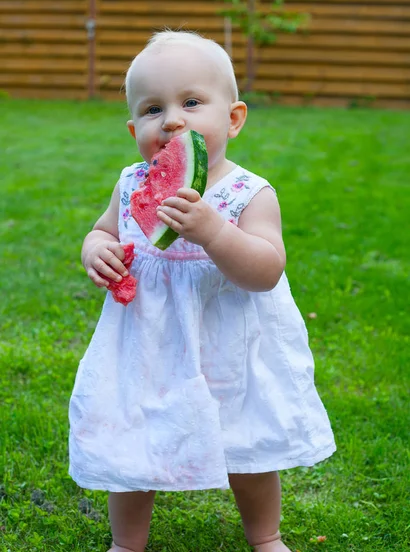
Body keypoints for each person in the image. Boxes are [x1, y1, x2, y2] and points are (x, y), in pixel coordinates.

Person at [68, 29, 336, 552]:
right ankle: (126, 543)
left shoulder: (249, 192)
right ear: (133, 128)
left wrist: (214, 231)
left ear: (233, 118)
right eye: (152, 109)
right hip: (147, 345)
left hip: (229, 348)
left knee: (247, 441)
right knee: (133, 438)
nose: (171, 119)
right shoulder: (131, 184)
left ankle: (266, 536)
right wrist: (94, 248)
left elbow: (266, 270)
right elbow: (105, 229)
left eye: (191, 102)